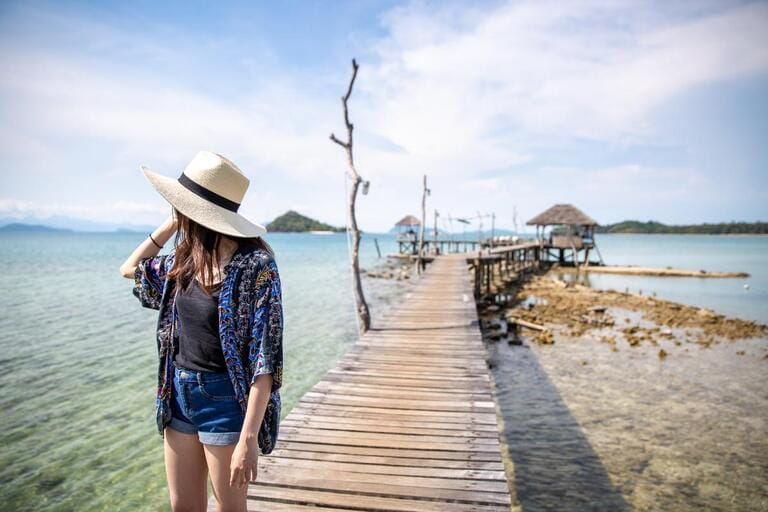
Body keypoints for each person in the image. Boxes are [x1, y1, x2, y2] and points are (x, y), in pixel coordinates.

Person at [119, 151, 283, 512]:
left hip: (225, 399)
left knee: (229, 508)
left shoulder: (256, 266)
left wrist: (248, 439)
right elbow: (129, 268)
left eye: (181, 206)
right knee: (183, 506)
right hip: (177, 394)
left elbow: (265, 360)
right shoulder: (185, 259)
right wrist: (171, 224)